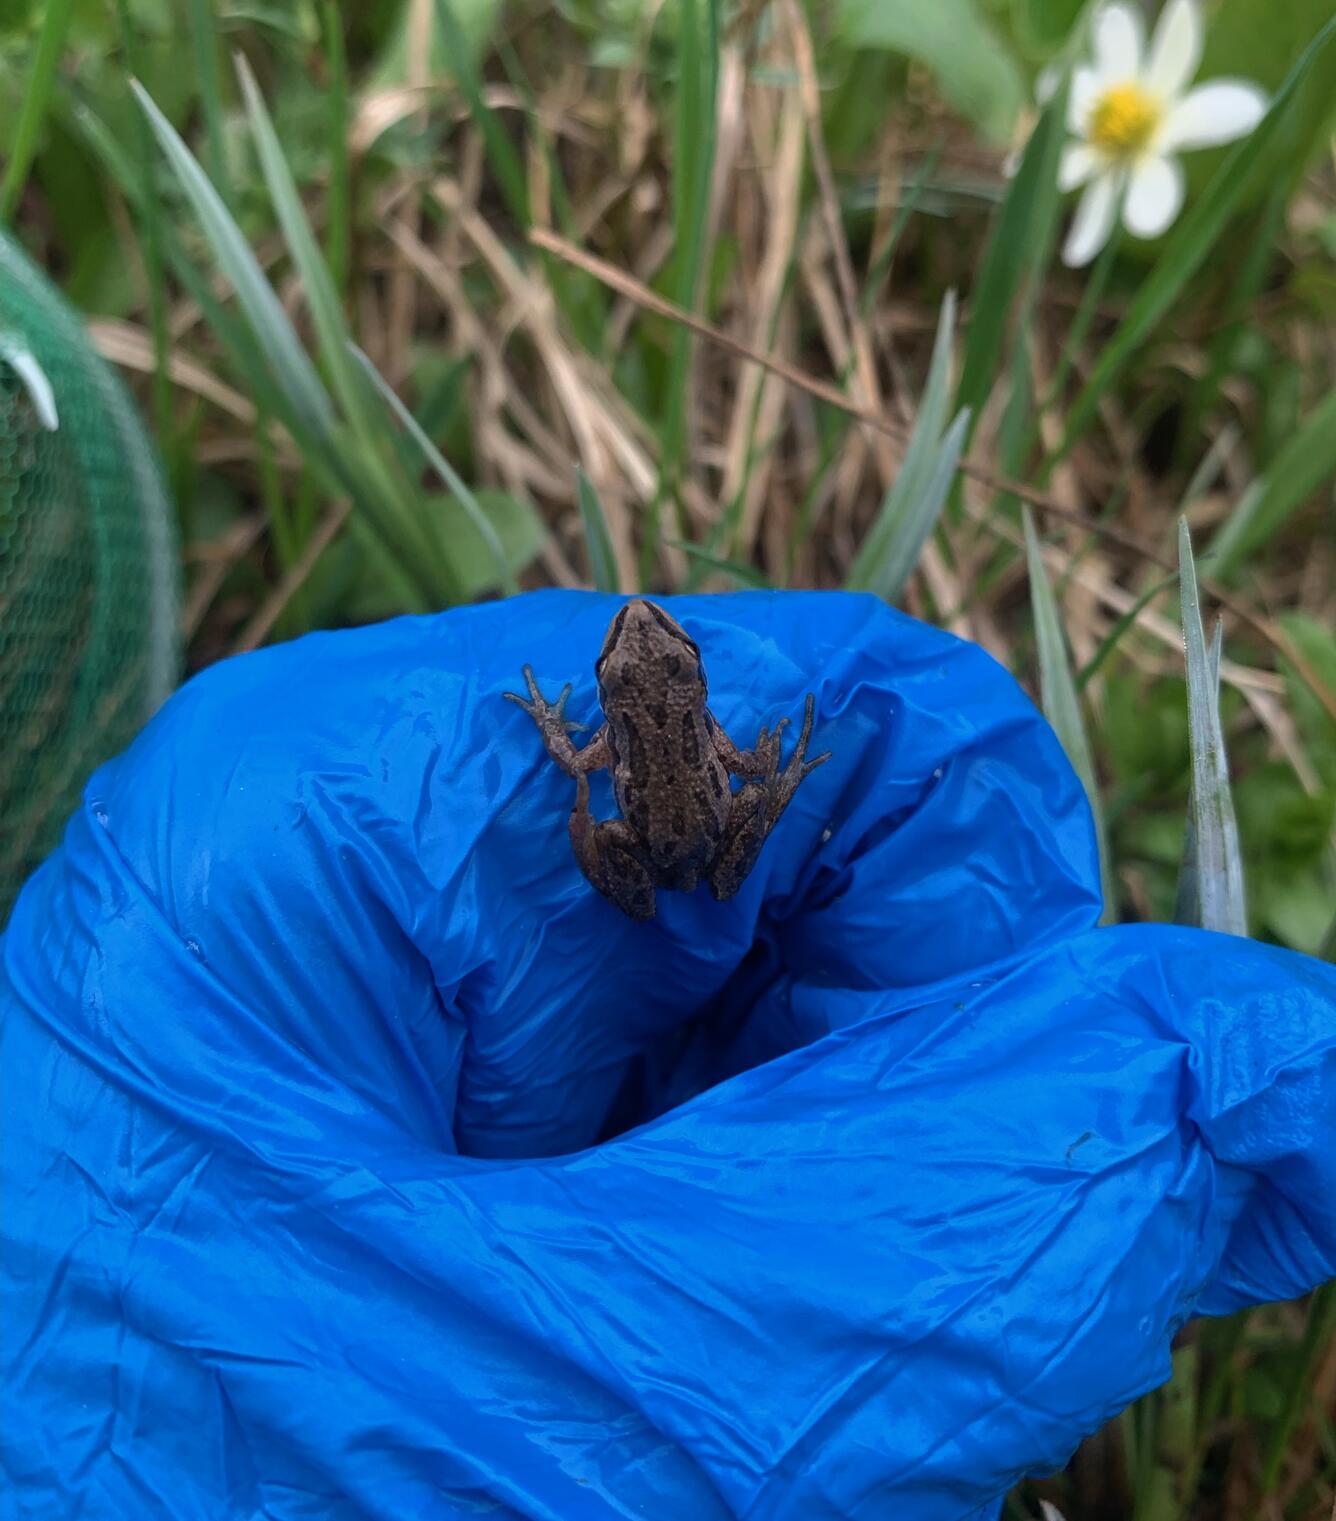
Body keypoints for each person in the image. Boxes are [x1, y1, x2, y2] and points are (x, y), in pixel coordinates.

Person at [3, 591, 1333, 1520]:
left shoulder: (626, 726)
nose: (647, 646)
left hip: (661, 837)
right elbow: (654, 760)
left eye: (660, 656)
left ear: (674, 683)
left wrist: (567, 749)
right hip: (691, 830)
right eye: (642, 661)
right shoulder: (668, 725)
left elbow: (599, 756)